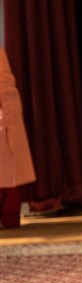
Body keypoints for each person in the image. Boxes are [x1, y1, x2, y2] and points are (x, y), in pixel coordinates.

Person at [0, 47, 36, 228]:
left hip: (5, 116)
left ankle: (9, 217)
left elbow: (6, 87)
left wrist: (7, 120)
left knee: (8, 174)